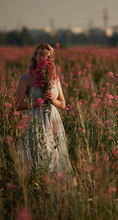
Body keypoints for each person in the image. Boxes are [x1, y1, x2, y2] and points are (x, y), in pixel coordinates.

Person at [15, 43, 73, 180]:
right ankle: (39, 187)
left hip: (52, 119)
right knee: (38, 155)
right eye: (41, 54)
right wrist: (38, 102)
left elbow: (63, 104)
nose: (44, 58)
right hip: (35, 120)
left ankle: (56, 189)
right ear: (35, 56)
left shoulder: (55, 78)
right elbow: (17, 105)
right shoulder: (26, 78)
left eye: (48, 56)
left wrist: (53, 100)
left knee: (56, 155)